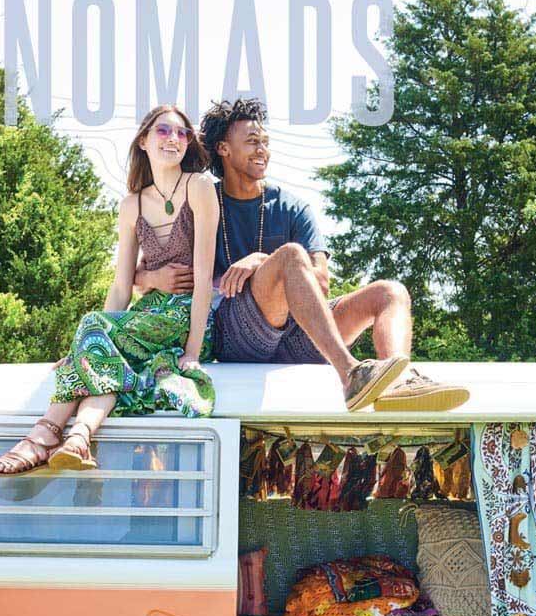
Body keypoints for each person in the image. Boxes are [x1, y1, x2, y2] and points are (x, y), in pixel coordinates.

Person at [190, 97, 469, 412]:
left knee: (391, 292)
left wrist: (260, 262)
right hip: (239, 336)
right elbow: (177, 274)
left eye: (265, 142)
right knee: (292, 255)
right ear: (224, 149)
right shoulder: (203, 200)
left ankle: (398, 382)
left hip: (303, 334)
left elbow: (320, 283)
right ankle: (350, 373)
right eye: (252, 142)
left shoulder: (292, 207)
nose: (262, 150)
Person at [0, 105, 219, 476]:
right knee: (100, 346)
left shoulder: (199, 187)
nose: (173, 139)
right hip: (144, 316)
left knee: (95, 330)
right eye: (163, 131)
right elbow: (122, 285)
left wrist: (192, 351)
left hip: (186, 315)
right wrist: (83, 343)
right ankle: (78, 436)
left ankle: (41, 437)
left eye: (182, 133)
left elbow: (205, 276)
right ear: (143, 141)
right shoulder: (132, 205)